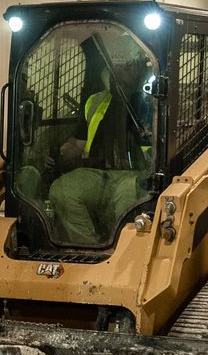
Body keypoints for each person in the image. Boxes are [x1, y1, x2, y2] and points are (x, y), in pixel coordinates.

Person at [45, 49, 154, 246]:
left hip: (137, 174)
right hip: (97, 172)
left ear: (140, 71)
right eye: (114, 67)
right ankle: (89, 248)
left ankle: (125, 251)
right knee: (63, 190)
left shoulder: (153, 104)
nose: (116, 72)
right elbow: (78, 143)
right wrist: (57, 153)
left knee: (126, 200)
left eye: (125, 68)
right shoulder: (96, 101)